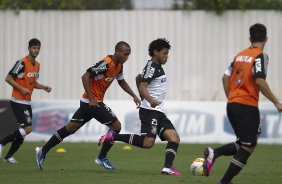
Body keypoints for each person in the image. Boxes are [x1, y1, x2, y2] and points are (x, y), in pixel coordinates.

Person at [35, 41, 141, 171]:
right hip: (92, 103)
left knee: (70, 128)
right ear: (117, 52)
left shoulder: (119, 66)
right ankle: (102, 157)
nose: (127, 58)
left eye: (128, 55)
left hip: (89, 103)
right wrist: (91, 98)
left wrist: (134, 95)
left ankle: (42, 151)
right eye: (125, 54)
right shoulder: (105, 63)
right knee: (116, 126)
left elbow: (121, 81)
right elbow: (85, 77)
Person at [203, 23, 282, 184]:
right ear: (266, 39)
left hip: (232, 104)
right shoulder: (261, 56)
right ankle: (223, 177)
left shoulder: (239, 55)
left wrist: (231, 97)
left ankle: (215, 154)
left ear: (250, 38)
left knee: (247, 140)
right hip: (247, 105)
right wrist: (276, 102)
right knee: (248, 146)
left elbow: (225, 77)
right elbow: (259, 81)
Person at [99, 38, 181, 176]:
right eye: (164, 53)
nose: (167, 56)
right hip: (150, 111)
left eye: (167, 54)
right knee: (148, 143)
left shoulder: (155, 67)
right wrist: (148, 99)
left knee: (174, 138)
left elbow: (138, 78)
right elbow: (142, 83)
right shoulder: (152, 67)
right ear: (155, 52)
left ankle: (167, 167)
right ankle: (113, 136)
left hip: (158, 111)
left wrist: (142, 96)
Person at [0, 38, 52, 163]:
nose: (36, 50)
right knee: (27, 129)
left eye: (38, 48)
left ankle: (8, 156)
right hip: (17, 100)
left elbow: (32, 83)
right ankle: (1, 143)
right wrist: (21, 88)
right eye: (34, 48)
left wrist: (43, 87)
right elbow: (8, 78)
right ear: (29, 49)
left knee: (23, 131)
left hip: (26, 102)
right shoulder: (22, 63)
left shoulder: (37, 65)